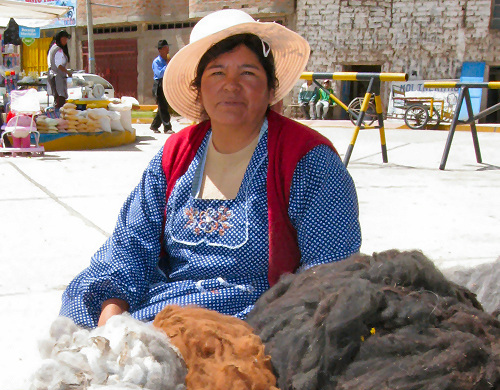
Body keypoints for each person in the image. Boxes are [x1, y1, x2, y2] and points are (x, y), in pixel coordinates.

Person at [60, 9, 361, 329]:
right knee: (84, 293)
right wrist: (112, 324)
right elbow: (130, 244)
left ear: (271, 89)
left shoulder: (307, 159)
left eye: (248, 73)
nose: (231, 86)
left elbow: (327, 273)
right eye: (217, 73)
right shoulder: (176, 154)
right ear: (199, 88)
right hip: (165, 314)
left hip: (258, 323)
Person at [150, 40, 174, 134]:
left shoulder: (167, 60)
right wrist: (167, 65)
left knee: (163, 106)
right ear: (160, 50)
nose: (167, 49)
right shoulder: (157, 61)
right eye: (165, 48)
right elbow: (159, 74)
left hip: (166, 83)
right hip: (159, 85)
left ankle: (154, 125)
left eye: (167, 47)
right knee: (163, 106)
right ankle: (167, 127)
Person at [47, 30, 73, 109]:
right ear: (59, 39)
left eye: (66, 39)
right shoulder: (58, 50)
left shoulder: (52, 48)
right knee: (60, 99)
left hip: (53, 76)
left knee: (57, 98)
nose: (65, 41)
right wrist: (68, 72)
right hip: (57, 78)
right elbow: (59, 65)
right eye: (64, 39)